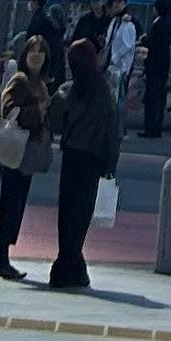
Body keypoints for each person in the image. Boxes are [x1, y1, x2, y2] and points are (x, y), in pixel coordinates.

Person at [47, 29, 123, 291]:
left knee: (67, 212)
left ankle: (67, 264)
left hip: (72, 154)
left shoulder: (69, 90)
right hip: (94, 158)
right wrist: (111, 164)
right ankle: (72, 265)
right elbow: (113, 133)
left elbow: (55, 122)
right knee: (81, 213)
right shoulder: (104, 93)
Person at [0, 28, 57, 283]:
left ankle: (3, 258)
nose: (36, 56)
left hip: (26, 152)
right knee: (10, 204)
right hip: (14, 149)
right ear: (25, 55)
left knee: (16, 205)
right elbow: (8, 110)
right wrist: (37, 111)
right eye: (32, 52)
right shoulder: (20, 80)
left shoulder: (41, 84)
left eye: (41, 52)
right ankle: (1, 259)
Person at [138, 0, 171, 138]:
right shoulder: (167, 24)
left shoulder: (158, 25)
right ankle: (156, 127)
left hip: (155, 66)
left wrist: (144, 40)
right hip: (162, 65)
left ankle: (151, 128)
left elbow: (154, 44)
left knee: (152, 98)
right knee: (159, 97)